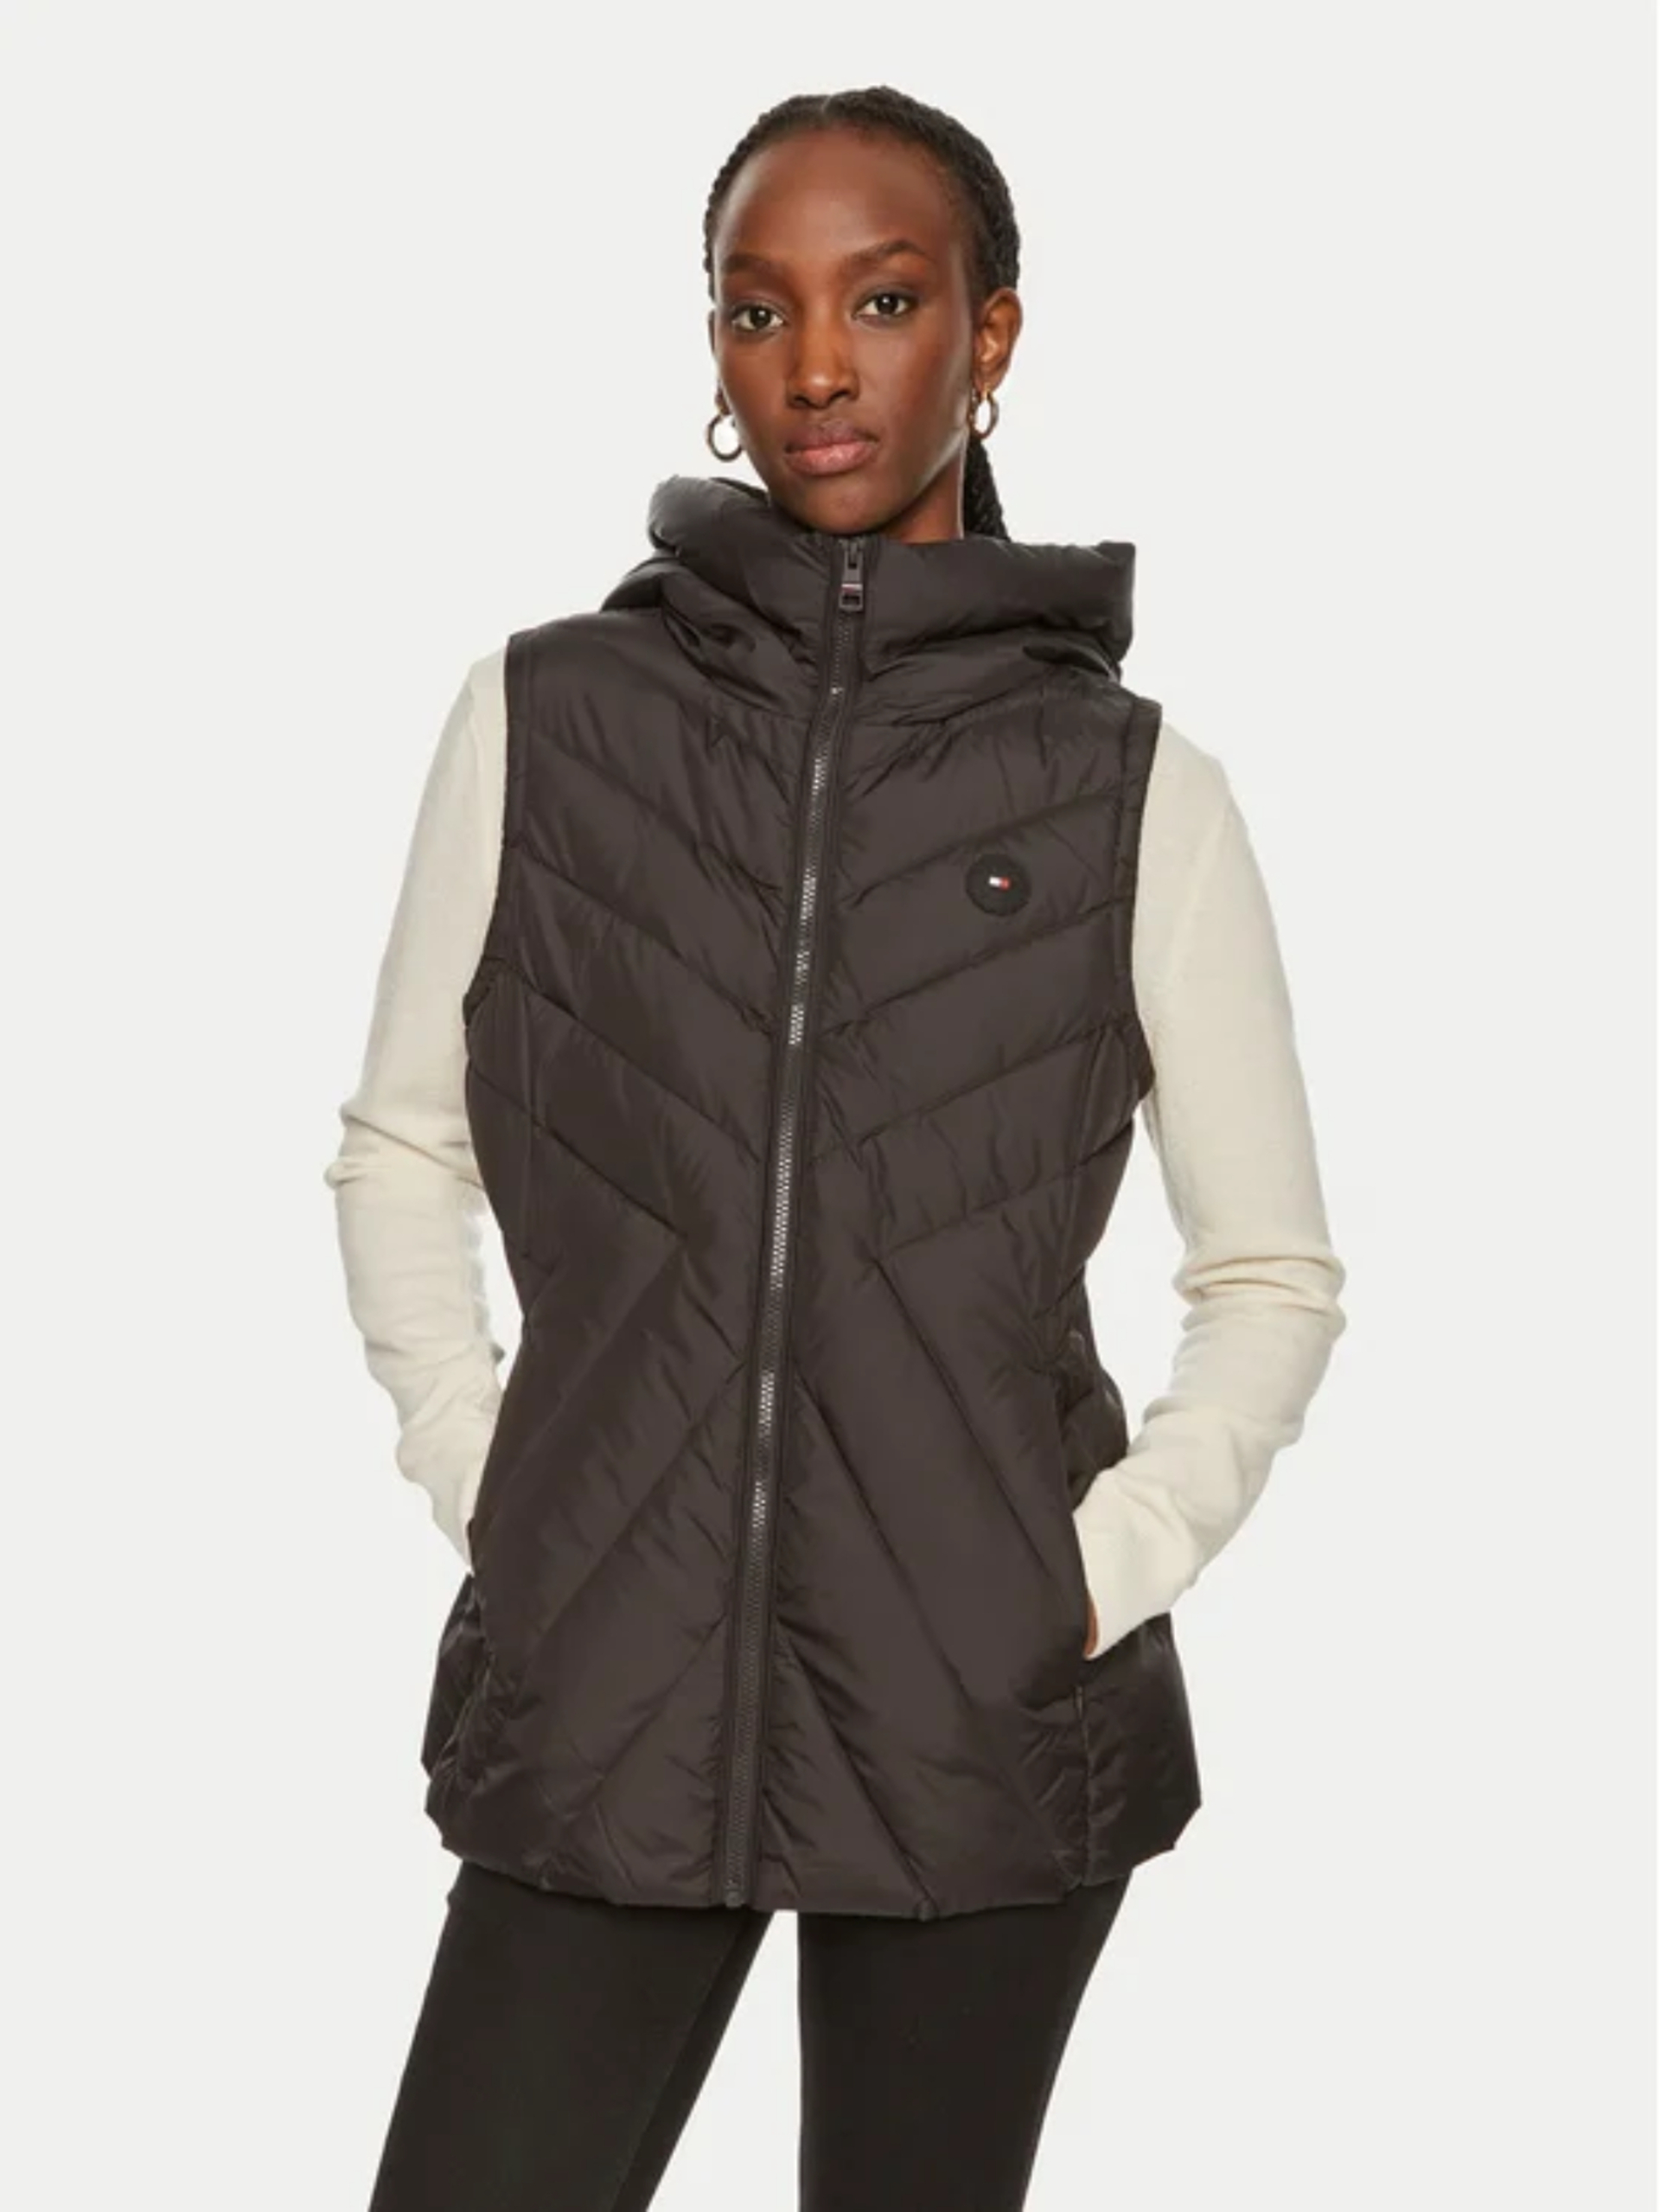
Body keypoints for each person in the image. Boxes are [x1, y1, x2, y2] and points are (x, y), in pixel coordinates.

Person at [324, 83, 1347, 2212]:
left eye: (883, 301)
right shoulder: (550, 717)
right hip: (607, 1676)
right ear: (714, 343)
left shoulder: (1127, 790)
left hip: (981, 1711)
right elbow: (403, 1142)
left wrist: (1095, 1570)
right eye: (757, 306)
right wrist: (486, 1467)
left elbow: (1267, 1273)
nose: (815, 364)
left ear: (989, 334)